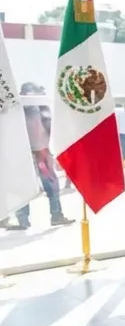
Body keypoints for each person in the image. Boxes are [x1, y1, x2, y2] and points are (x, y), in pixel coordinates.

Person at [1, 83, 74, 230]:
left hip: (25, 153)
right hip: (38, 152)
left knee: (22, 187)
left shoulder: (18, 107)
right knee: (48, 186)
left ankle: (23, 220)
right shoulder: (36, 106)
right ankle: (56, 215)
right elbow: (43, 128)